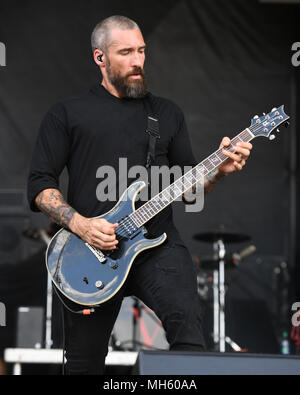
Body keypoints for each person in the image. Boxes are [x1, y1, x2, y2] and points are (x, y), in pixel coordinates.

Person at [27, 15, 252, 375]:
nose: (137, 61)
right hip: (91, 252)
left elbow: (190, 186)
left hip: (156, 244)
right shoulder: (67, 114)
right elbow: (40, 184)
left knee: (190, 341)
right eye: (126, 52)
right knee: (83, 363)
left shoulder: (165, 113)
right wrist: (82, 225)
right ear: (100, 58)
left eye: (142, 51)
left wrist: (217, 173)